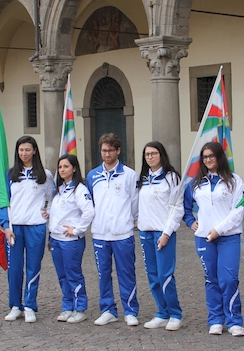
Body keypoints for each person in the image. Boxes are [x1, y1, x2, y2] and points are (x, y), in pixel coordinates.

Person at [183, 142, 244, 336]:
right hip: (204, 239)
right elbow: (185, 207)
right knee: (211, 279)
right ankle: (216, 319)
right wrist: (190, 221)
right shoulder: (196, 183)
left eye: (212, 156)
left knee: (228, 279)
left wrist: (219, 229)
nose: (208, 160)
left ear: (220, 157)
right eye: (205, 157)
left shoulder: (235, 181)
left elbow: (239, 210)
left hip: (228, 237)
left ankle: (234, 320)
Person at [0, 136, 55, 323]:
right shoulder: (9, 175)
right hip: (15, 229)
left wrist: (47, 211)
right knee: (14, 268)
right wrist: (5, 226)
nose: (24, 153)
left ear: (34, 151)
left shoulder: (45, 175)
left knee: (33, 267)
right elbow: (3, 203)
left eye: (27, 150)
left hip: (36, 227)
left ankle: (30, 304)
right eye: (21, 150)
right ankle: (15, 305)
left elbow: (54, 198)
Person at [87, 133, 140, 326]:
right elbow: (90, 203)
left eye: (110, 150)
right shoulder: (93, 176)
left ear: (118, 150)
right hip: (100, 233)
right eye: (104, 150)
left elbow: (135, 204)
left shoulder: (129, 175)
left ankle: (130, 310)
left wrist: (127, 221)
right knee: (103, 273)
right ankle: (108, 309)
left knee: (126, 272)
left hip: (122, 233)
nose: (107, 153)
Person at [137, 141, 184, 331]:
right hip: (145, 232)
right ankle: (162, 312)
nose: (150, 157)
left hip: (163, 233)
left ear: (161, 154)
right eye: (147, 154)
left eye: (153, 153)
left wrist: (166, 233)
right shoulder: (142, 179)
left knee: (165, 275)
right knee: (152, 275)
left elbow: (177, 208)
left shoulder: (171, 178)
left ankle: (175, 313)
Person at [48, 154, 94, 323]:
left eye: (66, 166)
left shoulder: (79, 190)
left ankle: (80, 307)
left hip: (71, 241)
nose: (62, 170)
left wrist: (77, 229)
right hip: (56, 239)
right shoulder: (58, 190)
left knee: (73, 274)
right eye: (60, 167)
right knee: (62, 275)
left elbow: (89, 211)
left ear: (74, 168)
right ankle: (67, 306)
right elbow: (54, 211)